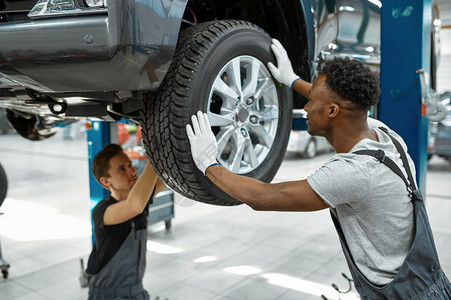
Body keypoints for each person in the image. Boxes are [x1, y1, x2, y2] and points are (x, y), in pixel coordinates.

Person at [186, 39, 451, 299]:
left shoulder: (353, 172)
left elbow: (264, 197)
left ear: (333, 111)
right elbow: (336, 102)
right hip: (430, 281)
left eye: (311, 101)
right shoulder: (383, 132)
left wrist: (210, 164)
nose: (305, 107)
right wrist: (291, 80)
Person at [85, 144, 166, 300]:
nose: (132, 171)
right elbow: (134, 207)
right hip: (107, 294)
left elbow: (169, 180)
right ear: (105, 181)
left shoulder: (141, 202)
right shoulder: (102, 211)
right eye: (122, 169)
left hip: (136, 291)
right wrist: (154, 153)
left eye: (130, 165)